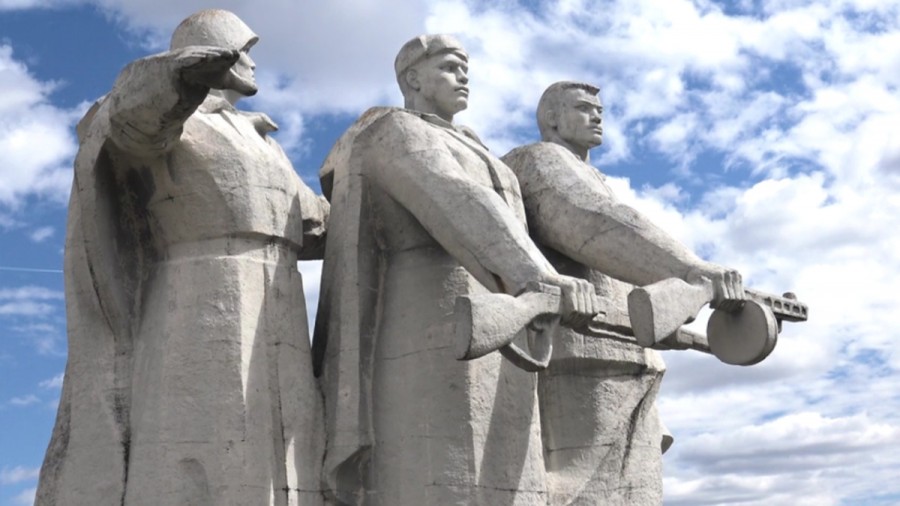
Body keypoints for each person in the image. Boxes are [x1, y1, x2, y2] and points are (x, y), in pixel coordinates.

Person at [36, 10, 328, 505]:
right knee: (204, 439)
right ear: (217, 52)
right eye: (245, 51)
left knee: (290, 441)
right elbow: (132, 119)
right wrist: (182, 74)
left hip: (282, 299)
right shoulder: (175, 119)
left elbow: (315, 224)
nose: (254, 63)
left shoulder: (266, 145)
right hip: (199, 293)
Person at [314, 36, 598, 505]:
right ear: (412, 78)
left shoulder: (476, 147)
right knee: (441, 474)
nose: (463, 77)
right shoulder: (392, 130)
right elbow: (453, 197)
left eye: (466, 68)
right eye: (449, 67)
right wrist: (539, 275)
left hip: (506, 322)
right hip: (428, 317)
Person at [501, 81, 744, 505]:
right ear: (551, 118)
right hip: (587, 354)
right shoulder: (537, 159)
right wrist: (690, 270)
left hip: (627, 354)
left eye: (600, 110)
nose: (597, 116)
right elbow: (588, 221)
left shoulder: (593, 176)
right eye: (583, 108)